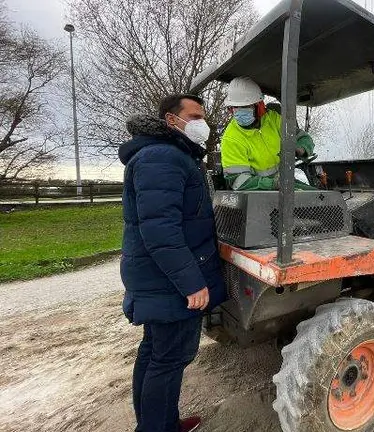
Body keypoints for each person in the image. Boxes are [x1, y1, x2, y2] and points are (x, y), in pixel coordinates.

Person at [119, 94, 227, 432]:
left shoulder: (166, 154)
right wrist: (192, 283)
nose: (202, 123)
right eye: (194, 116)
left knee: (155, 353)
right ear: (171, 120)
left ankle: (159, 424)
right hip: (169, 280)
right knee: (168, 360)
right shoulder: (162, 157)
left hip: (158, 276)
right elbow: (161, 231)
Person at [220, 76, 315, 190]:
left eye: (245, 106)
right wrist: (273, 184)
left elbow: (304, 138)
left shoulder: (273, 119)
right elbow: (238, 181)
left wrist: (300, 149)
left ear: (259, 106)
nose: (239, 112)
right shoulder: (230, 139)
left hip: (284, 182)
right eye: (235, 107)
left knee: (320, 196)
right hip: (259, 192)